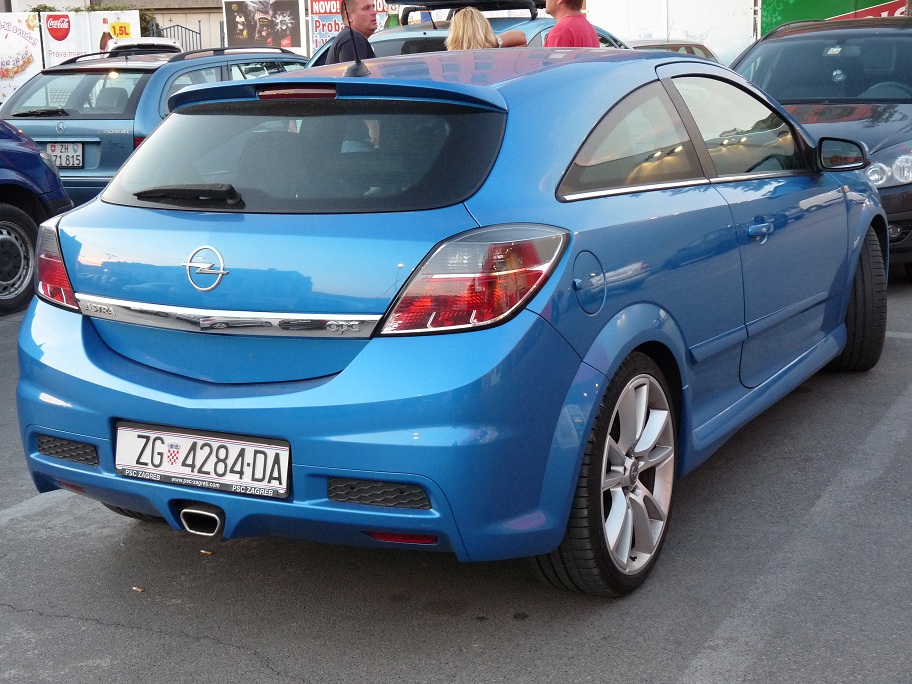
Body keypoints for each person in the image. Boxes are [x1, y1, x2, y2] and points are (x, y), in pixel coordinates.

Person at [445, 7, 526, 51]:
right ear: (484, 26)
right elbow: (522, 38)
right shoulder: (495, 52)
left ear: (454, 33)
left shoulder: (448, 60)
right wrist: (492, 42)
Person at [325, 0, 378, 65]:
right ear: (349, 17)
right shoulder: (353, 39)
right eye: (366, 8)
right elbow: (355, 71)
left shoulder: (348, 37)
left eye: (373, 7)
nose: (374, 12)